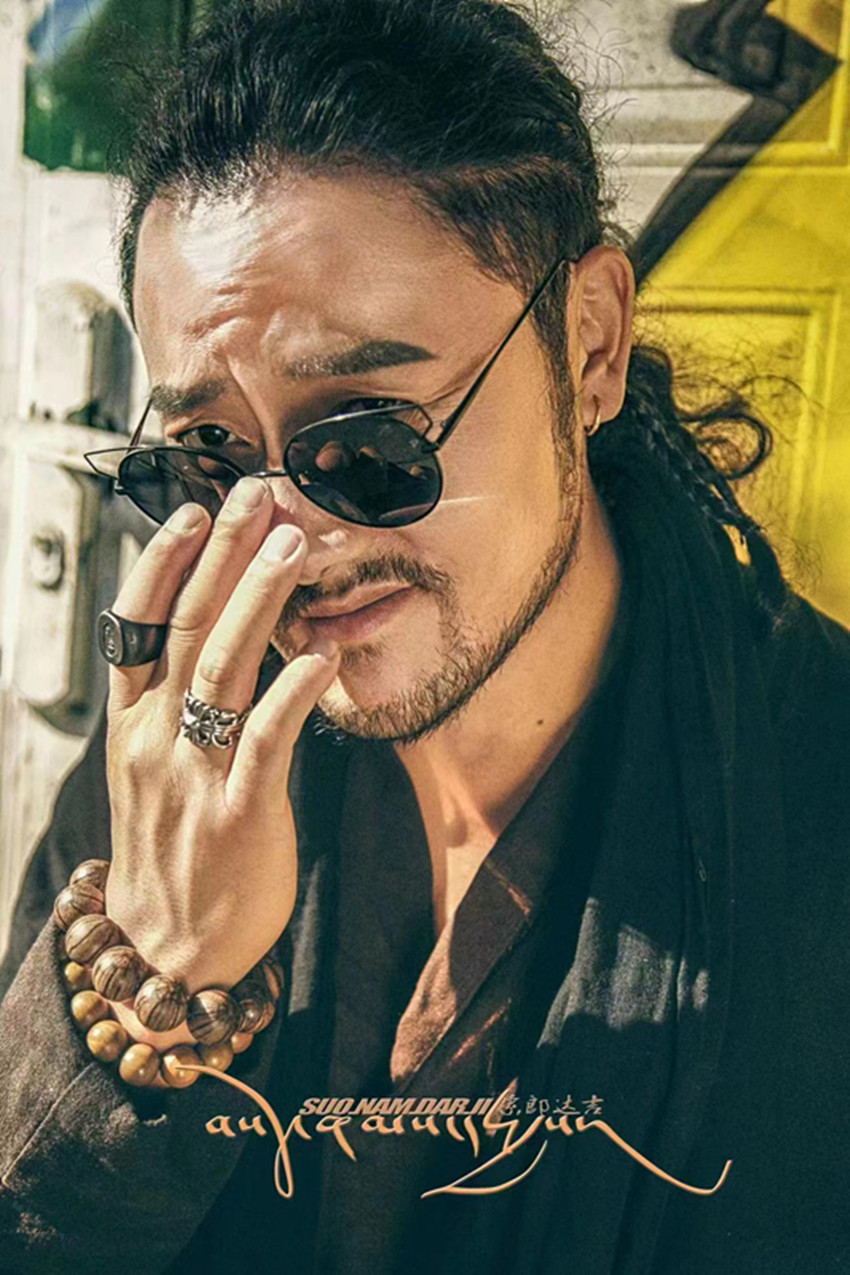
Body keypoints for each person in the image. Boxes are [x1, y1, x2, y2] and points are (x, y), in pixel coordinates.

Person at [1, 1, 848, 1271]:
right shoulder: (177, 759)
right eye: (209, 456)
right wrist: (158, 978)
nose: (286, 543)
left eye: (367, 442)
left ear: (590, 344)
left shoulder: (816, 809)